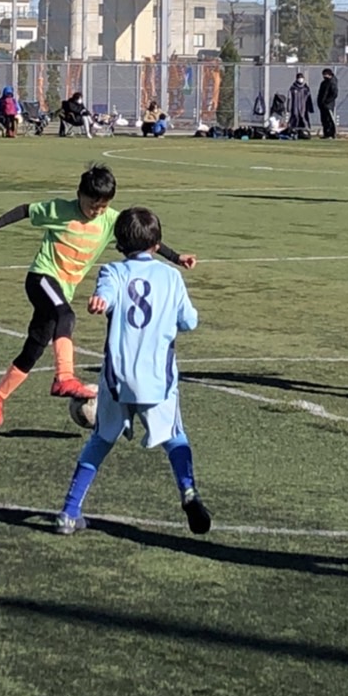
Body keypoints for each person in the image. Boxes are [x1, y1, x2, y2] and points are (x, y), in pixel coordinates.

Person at [0, 164, 195, 427]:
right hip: (41, 278)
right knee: (66, 316)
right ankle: (63, 377)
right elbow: (26, 210)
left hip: (62, 291)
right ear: (79, 194)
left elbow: (142, 237)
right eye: (93, 205)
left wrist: (176, 257)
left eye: (103, 206)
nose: (98, 211)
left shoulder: (110, 220)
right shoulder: (59, 210)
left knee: (35, 346)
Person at [55, 207, 211, 537]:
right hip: (157, 380)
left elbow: (105, 296)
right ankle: (188, 492)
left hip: (118, 379)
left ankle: (69, 513)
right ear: (157, 244)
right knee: (175, 437)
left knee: (100, 440)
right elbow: (189, 321)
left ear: (119, 244)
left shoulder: (112, 271)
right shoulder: (172, 277)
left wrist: (100, 301)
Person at [287, 73, 313, 137]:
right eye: (299, 78)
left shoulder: (306, 88)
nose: (300, 79)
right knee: (295, 116)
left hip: (303, 107)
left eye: (301, 78)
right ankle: (293, 130)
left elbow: (309, 98)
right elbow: (289, 98)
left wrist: (310, 107)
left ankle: (305, 130)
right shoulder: (293, 88)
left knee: (303, 117)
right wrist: (288, 107)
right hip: (295, 106)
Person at [317, 68, 338, 140]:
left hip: (328, 105)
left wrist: (327, 101)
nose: (324, 76)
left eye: (325, 74)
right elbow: (320, 94)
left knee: (330, 120)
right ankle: (326, 133)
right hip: (322, 105)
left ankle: (332, 134)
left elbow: (334, 94)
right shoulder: (324, 83)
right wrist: (320, 102)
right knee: (324, 120)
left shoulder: (332, 83)